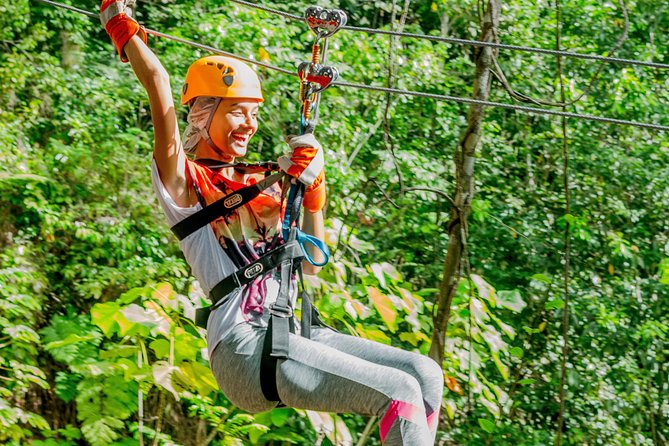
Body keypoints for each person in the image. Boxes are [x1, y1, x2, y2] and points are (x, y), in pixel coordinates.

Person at [100, 1, 444, 444]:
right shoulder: (185, 181)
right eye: (238, 111)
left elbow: (310, 267)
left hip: (293, 329)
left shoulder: (266, 185)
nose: (250, 124)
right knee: (397, 392)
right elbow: (160, 87)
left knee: (423, 373)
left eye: (255, 113)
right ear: (205, 113)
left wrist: (315, 188)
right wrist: (122, 27)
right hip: (245, 345)